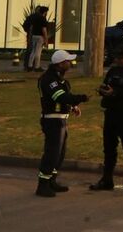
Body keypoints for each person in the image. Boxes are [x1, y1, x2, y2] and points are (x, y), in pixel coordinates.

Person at [36, 50, 90, 197]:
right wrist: (80, 98)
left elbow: (65, 97)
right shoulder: (48, 79)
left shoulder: (61, 80)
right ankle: (43, 185)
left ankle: (52, 180)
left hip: (61, 120)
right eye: (67, 61)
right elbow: (60, 97)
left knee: (59, 154)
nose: (70, 63)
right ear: (60, 64)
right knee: (52, 153)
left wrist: (73, 107)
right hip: (52, 121)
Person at [90, 43, 123, 194]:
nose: (118, 60)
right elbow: (106, 84)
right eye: (116, 57)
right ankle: (107, 179)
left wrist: (115, 93)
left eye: (121, 57)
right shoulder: (113, 70)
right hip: (111, 112)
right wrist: (103, 90)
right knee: (109, 147)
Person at [25, 5, 50, 72]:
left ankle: (29, 66)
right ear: (45, 12)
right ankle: (37, 66)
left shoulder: (35, 18)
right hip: (40, 37)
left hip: (34, 36)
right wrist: (46, 39)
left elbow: (31, 27)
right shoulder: (43, 19)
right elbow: (44, 29)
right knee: (38, 52)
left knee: (33, 51)